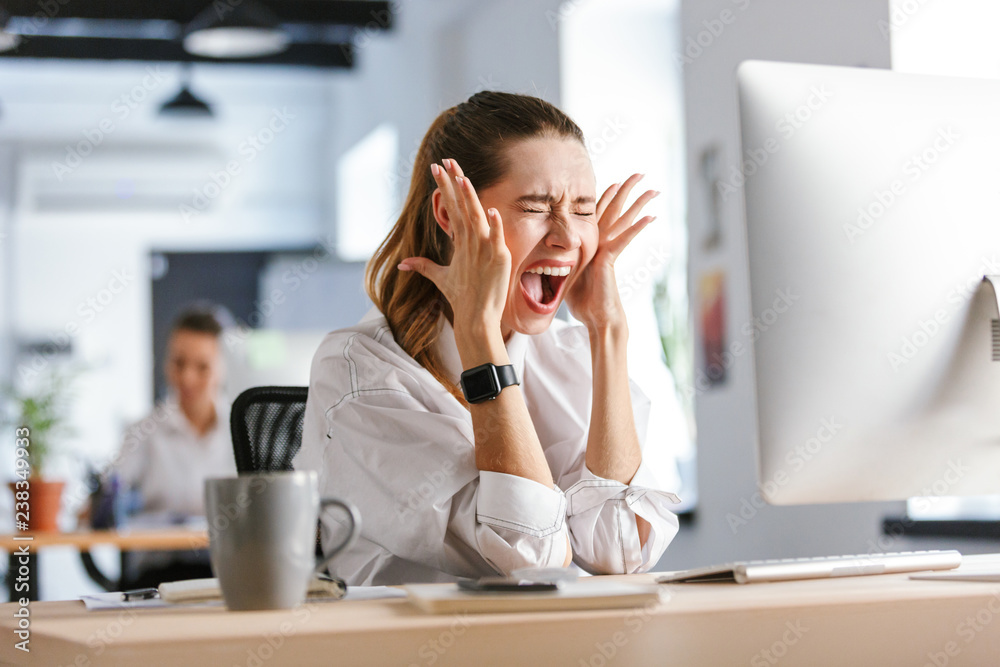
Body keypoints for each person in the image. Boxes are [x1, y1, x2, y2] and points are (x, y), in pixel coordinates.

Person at [294, 91, 682, 586]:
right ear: (452, 216)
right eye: (537, 207)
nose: (566, 236)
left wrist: (608, 330)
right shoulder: (358, 372)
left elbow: (621, 548)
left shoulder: (566, 355)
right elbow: (531, 559)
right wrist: (480, 339)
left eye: (584, 210)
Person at [105, 307, 237, 587]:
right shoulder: (144, 431)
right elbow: (108, 492)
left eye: (202, 367)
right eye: (178, 363)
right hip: (158, 575)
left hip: (228, 572)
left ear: (222, 368)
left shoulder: (243, 430)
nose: (187, 378)